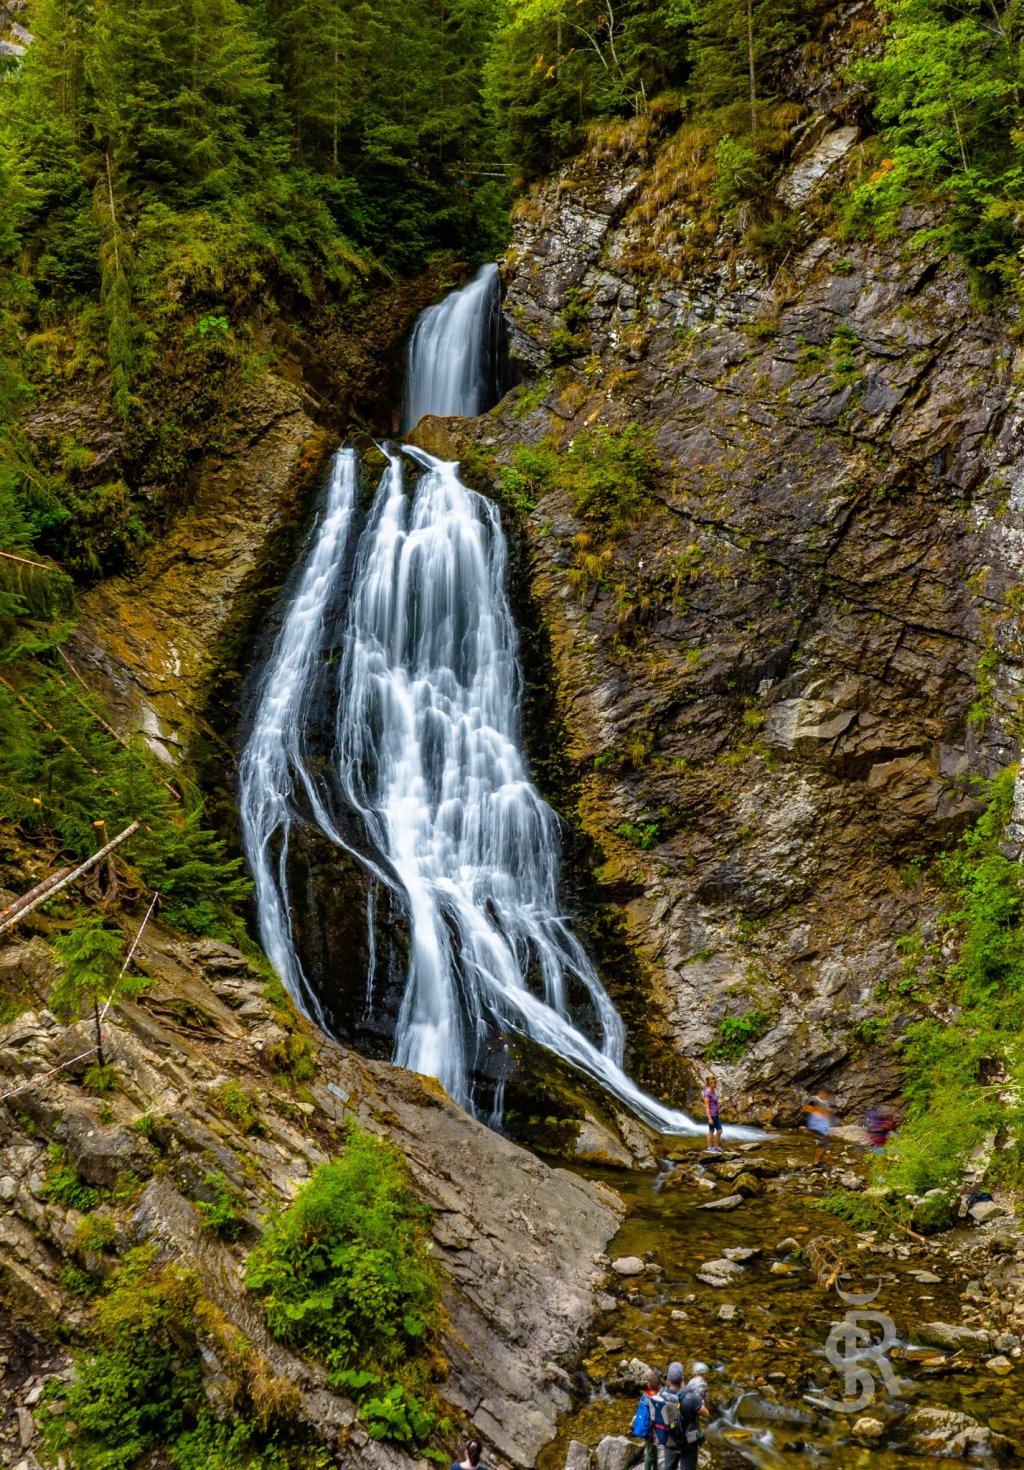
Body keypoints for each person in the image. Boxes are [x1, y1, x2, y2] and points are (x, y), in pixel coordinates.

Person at [656, 1360, 709, 1470]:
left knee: (669, 1467)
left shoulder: (661, 1395)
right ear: (683, 1379)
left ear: (668, 1380)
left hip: (671, 1438)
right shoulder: (691, 1399)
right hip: (689, 1440)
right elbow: (706, 1414)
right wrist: (701, 1402)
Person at [632, 1368, 663, 1470]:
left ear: (648, 1385)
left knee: (652, 1451)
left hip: (646, 1427)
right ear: (659, 1386)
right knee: (650, 1452)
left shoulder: (645, 1396)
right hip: (652, 1429)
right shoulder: (658, 1398)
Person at [804, 1087, 832, 1167]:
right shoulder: (814, 1100)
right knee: (823, 1142)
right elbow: (806, 1108)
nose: (827, 1097)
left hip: (822, 1127)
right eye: (826, 1095)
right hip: (815, 1126)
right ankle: (816, 1162)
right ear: (822, 1093)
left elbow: (826, 1113)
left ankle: (820, 1161)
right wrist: (817, 1112)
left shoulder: (824, 1102)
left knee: (824, 1144)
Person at [702, 1073, 723, 1154]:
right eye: (714, 1083)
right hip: (711, 1115)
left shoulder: (712, 1091)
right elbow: (706, 1106)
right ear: (710, 1083)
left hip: (716, 1114)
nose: (715, 1084)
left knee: (719, 1131)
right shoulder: (707, 1093)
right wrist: (709, 1118)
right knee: (712, 1131)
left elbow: (714, 1102)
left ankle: (716, 1147)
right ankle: (710, 1148)